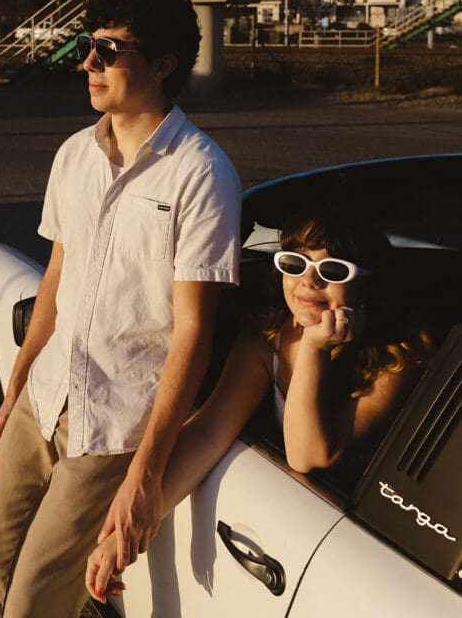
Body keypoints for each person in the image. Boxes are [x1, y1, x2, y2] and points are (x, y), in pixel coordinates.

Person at [0, 0, 242, 618]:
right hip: (45, 396)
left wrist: (145, 471)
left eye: (109, 50)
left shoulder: (202, 174)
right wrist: (18, 381)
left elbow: (193, 332)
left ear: (163, 65)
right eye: (89, 46)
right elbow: (57, 279)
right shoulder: (74, 156)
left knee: (33, 601)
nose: (88, 62)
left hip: (112, 424)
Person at [86, 204, 431, 605]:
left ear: (367, 289)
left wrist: (316, 348)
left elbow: (308, 455)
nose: (308, 281)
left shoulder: (396, 358)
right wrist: (123, 536)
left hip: (371, 558)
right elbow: (208, 434)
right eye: (295, 263)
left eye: (333, 271)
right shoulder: (264, 342)